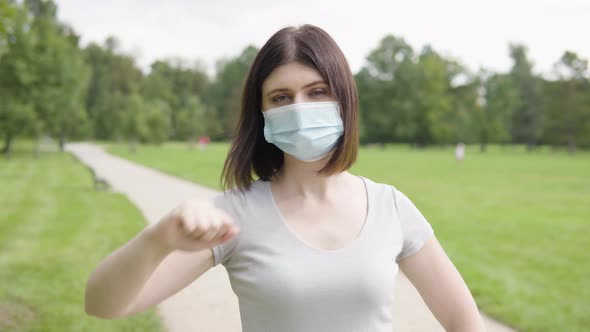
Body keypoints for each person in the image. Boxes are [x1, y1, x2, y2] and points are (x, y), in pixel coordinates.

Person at [84, 24, 486, 332]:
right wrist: (158, 239)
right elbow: (104, 304)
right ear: (261, 114)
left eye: (317, 92)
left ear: (344, 100)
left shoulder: (391, 207)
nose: (299, 107)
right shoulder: (234, 215)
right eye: (281, 97)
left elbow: (466, 322)